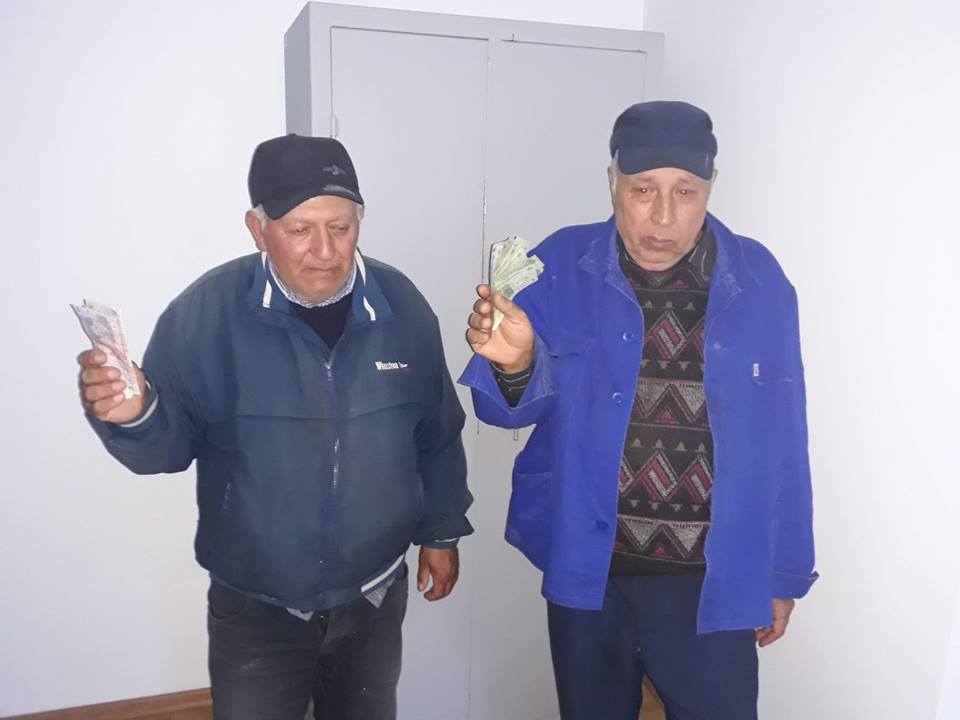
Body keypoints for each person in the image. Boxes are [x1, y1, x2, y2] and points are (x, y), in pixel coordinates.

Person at [77, 134, 473, 720]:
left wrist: (442, 533)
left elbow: (437, 433)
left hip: (373, 594)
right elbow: (165, 452)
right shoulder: (204, 315)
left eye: (340, 227)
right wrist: (135, 416)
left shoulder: (402, 307)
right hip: (255, 605)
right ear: (257, 229)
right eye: (299, 229)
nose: (325, 250)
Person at [460, 101, 817, 720]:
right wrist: (515, 365)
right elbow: (503, 414)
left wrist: (784, 575)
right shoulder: (559, 264)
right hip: (587, 568)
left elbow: (786, 434)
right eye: (643, 189)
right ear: (613, 182)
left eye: (686, 191)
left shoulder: (760, 280)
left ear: (710, 187)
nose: (663, 216)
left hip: (712, 579)